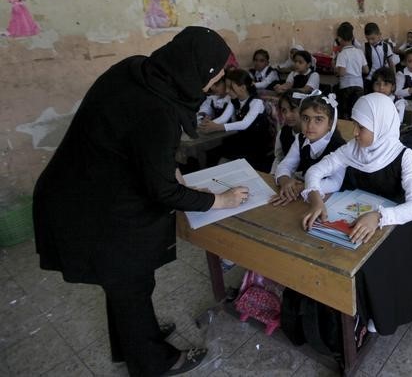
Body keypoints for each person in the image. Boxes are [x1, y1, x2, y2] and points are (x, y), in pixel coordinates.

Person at [33, 27, 248, 376]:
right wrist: (219, 200)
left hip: (88, 186)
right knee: (129, 282)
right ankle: (152, 361)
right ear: (196, 73)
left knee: (124, 284)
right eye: (216, 73)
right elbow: (162, 191)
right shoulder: (157, 111)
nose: (219, 80)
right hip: (91, 206)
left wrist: (168, 169)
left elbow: (136, 147)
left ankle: (130, 341)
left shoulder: (138, 70)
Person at [300, 93, 412, 334]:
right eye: (354, 124)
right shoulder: (352, 149)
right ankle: (350, 306)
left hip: (397, 220)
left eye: (361, 127)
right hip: (357, 212)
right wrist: (314, 197)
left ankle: (382, 311)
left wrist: (379, 216)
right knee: (335, 244)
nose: (355, 132)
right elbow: (315, 171)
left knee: (372, 254)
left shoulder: (402, 155)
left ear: (381, 125)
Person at [271, 93, 345, 205]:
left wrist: (302, 187)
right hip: (305, 195)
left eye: (318, 119)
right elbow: (286, 164)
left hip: (331, 198)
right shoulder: (300, 138)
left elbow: (335, 182)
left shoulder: (339, 146)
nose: (310, 125)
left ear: (330, 123)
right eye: (306, 118)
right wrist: (285, 181)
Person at [200, 68, 273, 171]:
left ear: (242, 87)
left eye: (230, 87)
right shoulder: (234, 100)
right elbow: (223, 118)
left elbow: (245, 124)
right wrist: (208, 124)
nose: (227, 91)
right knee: (212, 153)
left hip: (256, 144)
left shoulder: (256, 102)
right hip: (243, 140)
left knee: (225, 156)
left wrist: (218, 127)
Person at [334, 22, 368, 119]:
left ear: (339, 39)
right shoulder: (359, 52)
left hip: (346, 87)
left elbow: (342, 72)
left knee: (346, 113)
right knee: (357, 111)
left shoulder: (342, 54)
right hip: (359, 86)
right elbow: (366, 70)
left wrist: (335, 69)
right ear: (352, 38)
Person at [271, 91, 302, 174]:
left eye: (292, 109)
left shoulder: (312, 135)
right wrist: (272, 174)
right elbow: (279, 158)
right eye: (284, 110)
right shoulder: (283, 132)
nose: (287, 115)